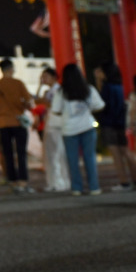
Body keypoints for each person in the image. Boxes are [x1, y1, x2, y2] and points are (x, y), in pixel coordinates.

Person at [52, 63, 105, 195]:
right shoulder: (88, 89)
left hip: (69, 130)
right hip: (88, 126)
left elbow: (55, 110)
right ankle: (94, 187)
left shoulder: (61, 92)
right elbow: (100, 105)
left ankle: (77, 188)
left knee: (72, 160)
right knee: (90, 158)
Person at [0, 58, 35, 193]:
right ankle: (23, 181)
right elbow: (29, 102)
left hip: (3, 123)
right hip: (18, 122)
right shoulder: (18, 83)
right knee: (21, 153)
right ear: (11, 69)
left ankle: (13, 182)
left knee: (7, 154)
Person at [95, 62, 136, 191]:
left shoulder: (107, 87)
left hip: (109, 123)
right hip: (120, 122)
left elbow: (101, 104)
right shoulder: (119, 86)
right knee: (126, 151)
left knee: (116, 154)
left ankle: (124, 182)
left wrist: (98, 81)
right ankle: (135, 178)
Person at [38, 67, 70, 192]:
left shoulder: (58, 90)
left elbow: (50, 104)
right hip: (50, 123)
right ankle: (54, 182)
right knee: (52, 153)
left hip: (56, 125)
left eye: (45, 76)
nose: (43, 79)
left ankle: (59, 182)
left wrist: (42, 100)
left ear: (53, 77)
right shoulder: (49, 90)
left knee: (56, 153)